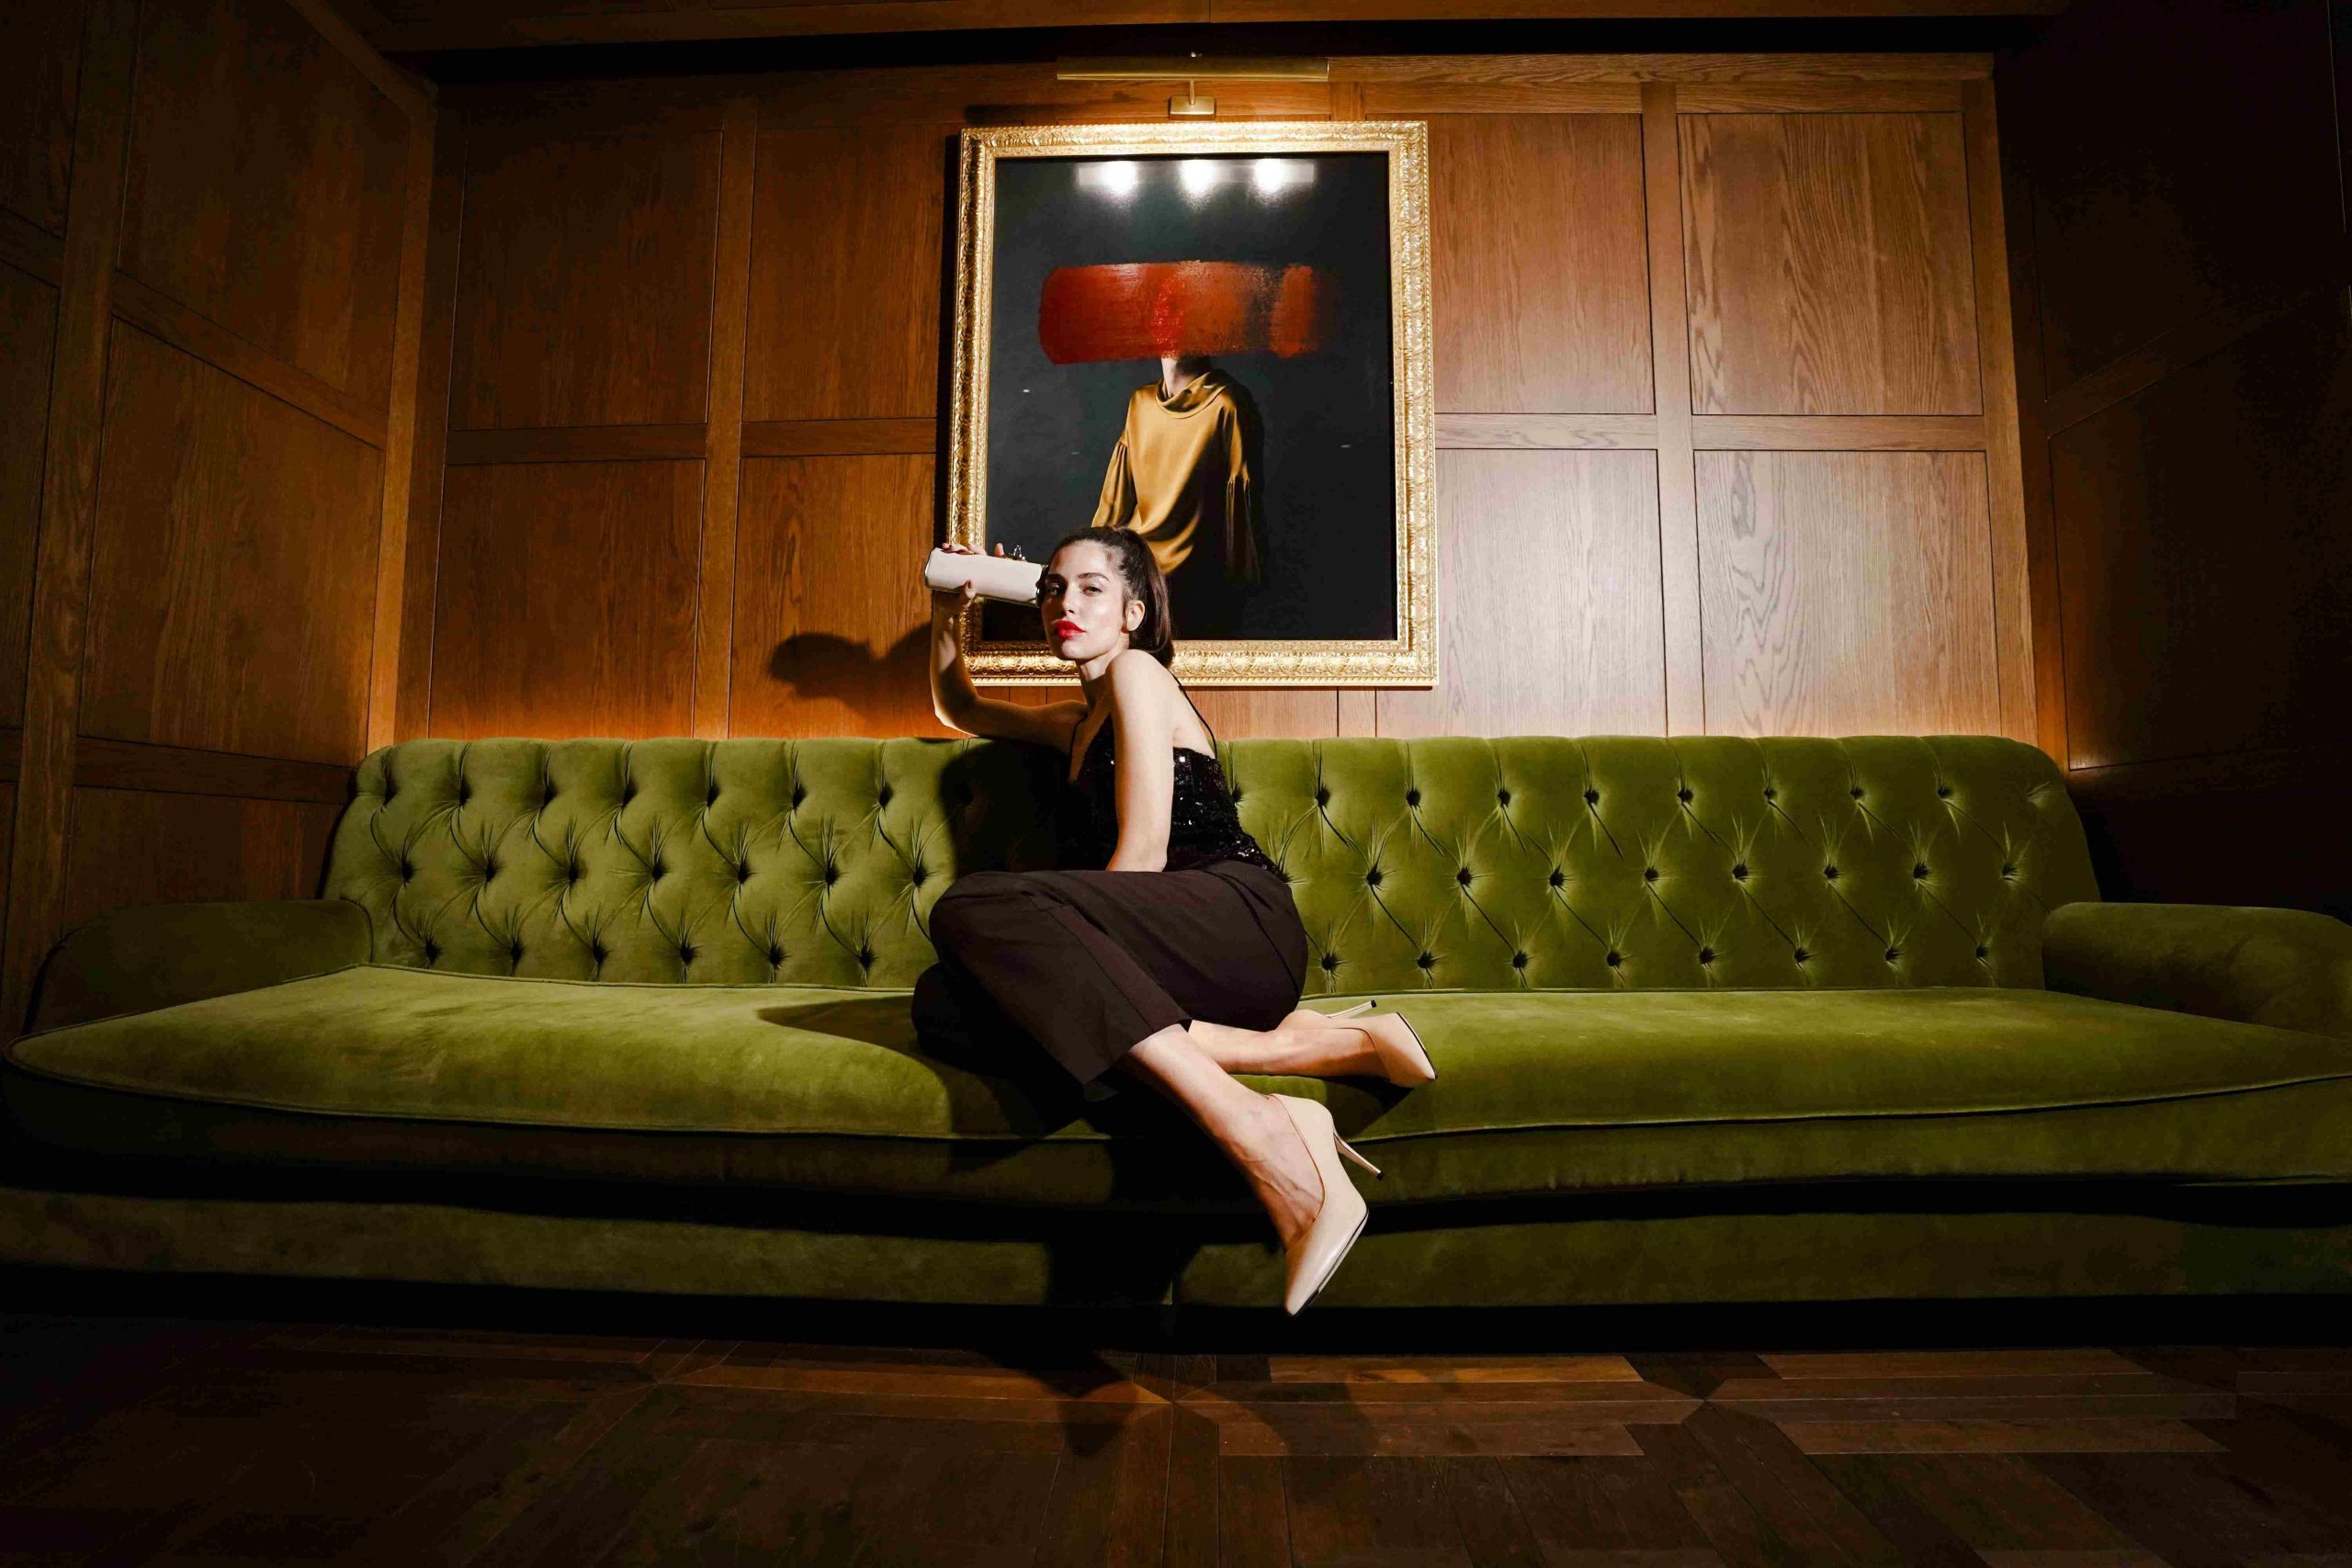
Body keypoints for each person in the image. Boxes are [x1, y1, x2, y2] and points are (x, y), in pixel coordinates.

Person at [913, 528, 1432, 1314]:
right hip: (1172, 963)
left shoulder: (1138, 671)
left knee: (972, 904)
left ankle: (1257, 1128)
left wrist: (1082, 959)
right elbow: (961, 706)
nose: (1064, 603)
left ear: (1133, 611)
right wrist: (947, 610)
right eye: (1052, 589)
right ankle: (1283, 1048)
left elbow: (1146, 850)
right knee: (941, 1002)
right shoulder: (1073, 722)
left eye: (1091, 588)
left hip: (1234, 922)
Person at [1087, 355, 1264, 631]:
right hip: (1133, 578)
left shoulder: (1228, 403)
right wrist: (1088, 562)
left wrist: (1237, 594)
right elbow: (1114, 505)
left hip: (1195, 590)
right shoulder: (1141, 402)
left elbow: (1242, 514)